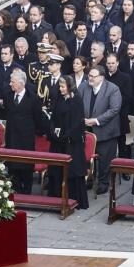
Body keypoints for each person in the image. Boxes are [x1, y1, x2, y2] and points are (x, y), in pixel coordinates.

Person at [47, 76, 88, 209]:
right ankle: (55, 198)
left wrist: (67, 135)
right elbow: (53, 117)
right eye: (59, 86)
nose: (60, 89)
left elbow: (78, 122)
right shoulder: (58, 98)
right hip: (58, 142)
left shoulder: (76, 100)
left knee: (72, 171)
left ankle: (73, 199)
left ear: (69, 87)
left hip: (71, 143)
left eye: (63, 86)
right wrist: (53, 131)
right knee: (56, 170)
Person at [80, 67, 121, 195]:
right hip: (87, 130)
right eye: (89, 76)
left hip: (106, 130)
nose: (90, 78)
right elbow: (77, 103)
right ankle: (89, 180)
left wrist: (96, 120)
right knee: (87, 156)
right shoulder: (84, 86)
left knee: (105, 160)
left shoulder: (112, 89)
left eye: (94, 76)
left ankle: (103, 183)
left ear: (101, 77)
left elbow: (114, 109)